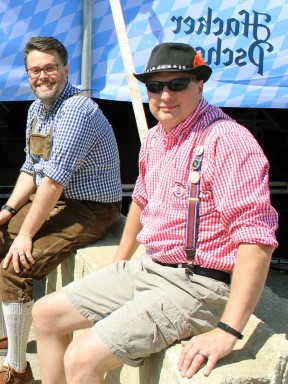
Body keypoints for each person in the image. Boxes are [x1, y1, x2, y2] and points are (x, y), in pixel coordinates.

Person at [31, 42, 279, 383]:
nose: (165, 94)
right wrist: (120, 259)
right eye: (155, 86)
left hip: (198, 285)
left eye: (177, 84)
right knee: (45, 313)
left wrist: (227, 331)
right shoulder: (156, 137)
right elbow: (142, 199)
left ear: (199, 84)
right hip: (150, 268)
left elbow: (257, 240)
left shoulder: (228, 141)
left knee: (82, 357)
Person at [0, 36, 123, 384]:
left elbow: (54, 180)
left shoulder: (77, 109)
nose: (42, 76)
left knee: (17, 264)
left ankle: (17, 369)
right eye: (34, 70)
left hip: (90, 207)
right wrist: (6, 212)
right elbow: (32, 168)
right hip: (56, 199)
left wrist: (25, 234)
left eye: (49, 68)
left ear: (64, 69)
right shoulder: (37, 109)